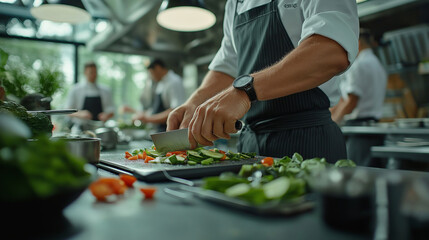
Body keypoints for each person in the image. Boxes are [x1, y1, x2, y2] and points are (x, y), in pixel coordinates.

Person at [167, 0, 359, 162]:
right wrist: (195, 102)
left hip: (309, 144)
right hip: (250, 146)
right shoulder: (235, 3)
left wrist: (245, 91)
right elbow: (228, 65)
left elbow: (330, 51)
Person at [331, 28, 388, 166]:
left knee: (357, 173)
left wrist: (333, 124)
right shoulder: (378, 64)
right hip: (374, 129)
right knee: (372, 173)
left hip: (360, 131)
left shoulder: (359, 65)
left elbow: (351, 102)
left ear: (357, 43)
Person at [132, 59, 186, 132]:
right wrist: (143, 116)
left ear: (158, 68)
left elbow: (176, 110)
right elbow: (156, 109)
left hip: (168, 130)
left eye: (151, 73)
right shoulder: (161, 83)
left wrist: (148, 119)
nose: (151, 77)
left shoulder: (174, 81)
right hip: (159, 129)